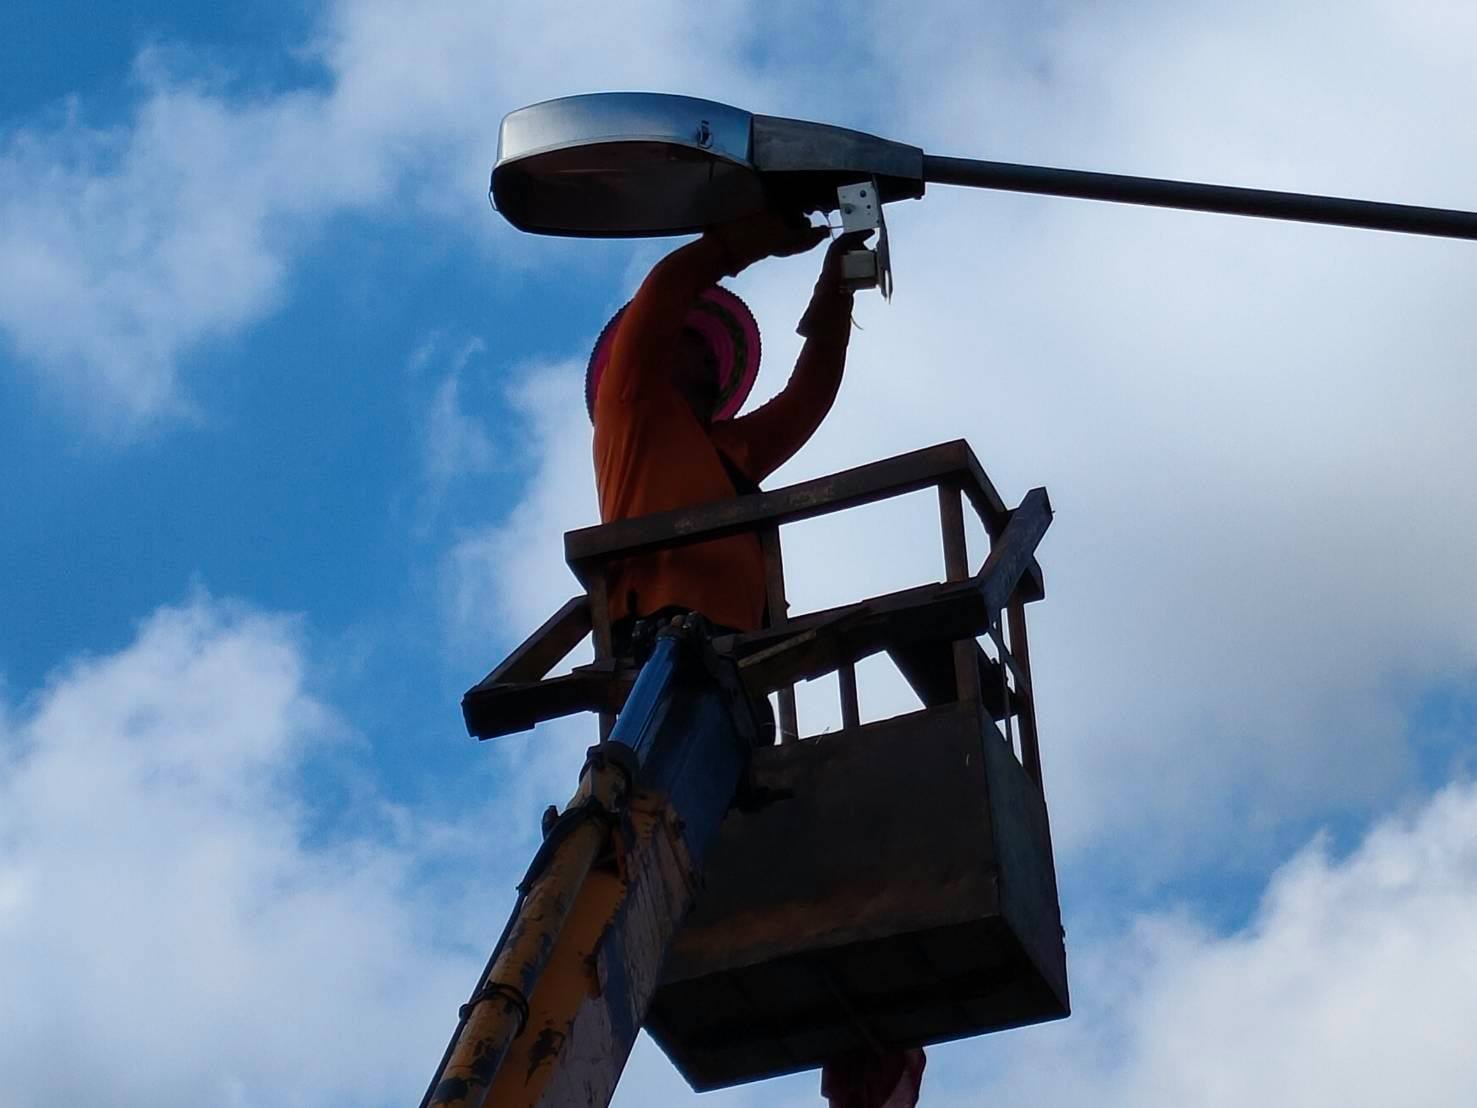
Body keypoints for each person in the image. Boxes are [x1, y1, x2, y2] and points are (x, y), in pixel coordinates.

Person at [587, 210, 926, 1108]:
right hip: (660, 663)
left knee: (776, 843)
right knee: (676, 831)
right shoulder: (632, 411)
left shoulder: (727, 450)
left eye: (708, 354)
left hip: (731, 677)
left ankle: (862, 1059)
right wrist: (743, 238)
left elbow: (807, 398)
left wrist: (834, 293)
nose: (699, 358)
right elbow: (664, 294)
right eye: (685, 345)